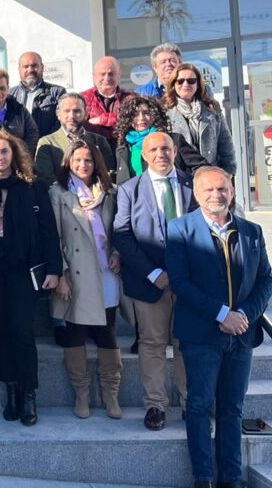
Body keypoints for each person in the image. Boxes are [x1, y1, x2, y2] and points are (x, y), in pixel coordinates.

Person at [167, 166, 272, 488]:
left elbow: (266, 279)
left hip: (242, 334)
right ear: (197, 195)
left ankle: (231, 478)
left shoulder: (252, 231)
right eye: (209, 190)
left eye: (222, 189)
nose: (217, 195)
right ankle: (204, 477)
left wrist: (243, 315)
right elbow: (180, 282)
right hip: (202, 335)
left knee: (232, 409)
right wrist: (221, 314)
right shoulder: (180, 229)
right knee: (199, 405)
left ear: (233, 191)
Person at [0, 130, 61, 426]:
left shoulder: (32, 187)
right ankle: (11, 392)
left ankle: (28, 395)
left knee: (22, 332)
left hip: (24, 269)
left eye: (4, 151)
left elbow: (48, 229)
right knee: (1, 333)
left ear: (14, 154)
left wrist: (55, 269)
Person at [113, 131, 197, 431]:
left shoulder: (193, 184)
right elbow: (122, 235)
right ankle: (156, 406)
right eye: (154, 150)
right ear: (144, 156)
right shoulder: (129, 189)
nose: (161, 154)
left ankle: (192, 403)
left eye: (166, 148)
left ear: (175, 151)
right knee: (152, 345)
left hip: (191, 284)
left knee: (186, 344)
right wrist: (153, 273)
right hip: (150, 283)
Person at [49, 140, 123, 420]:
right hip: (75, 273)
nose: (83, 165)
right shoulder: (58, 193)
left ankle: (111, 394)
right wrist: (62, 274)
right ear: (68, 162)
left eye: (88, 160)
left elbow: (119, 229)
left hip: (106, 272)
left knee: (108, 332)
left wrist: (117, 252)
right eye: (77, 160)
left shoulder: (109, 191)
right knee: (75, 334)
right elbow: (54, 237)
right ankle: (81, 393)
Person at [114, 95, 205, 184]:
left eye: (146, 113)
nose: (141, 118)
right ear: (128, 119)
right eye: (135, 114)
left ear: (155, 116)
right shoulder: (123, 148)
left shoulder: (174, 140)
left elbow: (202, 166)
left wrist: (186, 186)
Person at [164, 63, 236, 175]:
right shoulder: (165, 111)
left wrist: (228, 172)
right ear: (173, 84)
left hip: (211, 172)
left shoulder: (212, 108)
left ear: (198, 84)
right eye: (180, 81)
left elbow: (225, 142)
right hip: (181, 175)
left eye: (191, 80)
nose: (185, 84)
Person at [34, 93, 115, 185]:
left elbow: (108, 172)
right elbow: (45, 176)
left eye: (77, 111)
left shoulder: (100, 141)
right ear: (58, 114)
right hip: (60, 196)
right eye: (67, 111)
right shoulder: (47, 143)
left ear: (85, 114)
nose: (71, 116)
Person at [0, 69, 38, 154]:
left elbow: (32, 133)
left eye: (2, 88)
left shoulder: (19, 110)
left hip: (19, 162)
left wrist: (21, 154)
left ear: (8, 88)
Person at [10, 51, 66, 138]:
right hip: (19, 148)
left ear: (42, 67)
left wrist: (47, 141)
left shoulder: (57, 92)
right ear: (19, 69)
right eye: (25, 66)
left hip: (48, 147)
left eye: (34, 66)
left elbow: (62, 122)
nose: (30, 70)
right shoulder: (10, 95)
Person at [82, 56, 133, 150]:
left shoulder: (131, 98)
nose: (107, 78)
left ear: (119, 75)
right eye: (102, 74)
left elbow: (134, 121)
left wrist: (101, 119)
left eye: (111, 74)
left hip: (125, 150)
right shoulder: (83, 99)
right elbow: (79, 125)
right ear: (94, 75)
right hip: (94, 151)